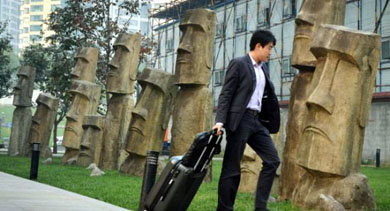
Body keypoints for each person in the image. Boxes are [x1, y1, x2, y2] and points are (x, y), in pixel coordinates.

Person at [213, 30, 281, 211]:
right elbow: (226, 94)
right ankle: (225, 209)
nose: (270, 52)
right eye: (269, 48)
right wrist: (219, 121)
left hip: (256, 121)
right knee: (232, 167)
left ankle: (260, 208)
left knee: (273, 160)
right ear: (258, 46)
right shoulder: (239, 64)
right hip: (240, 119)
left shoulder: (263, 69)